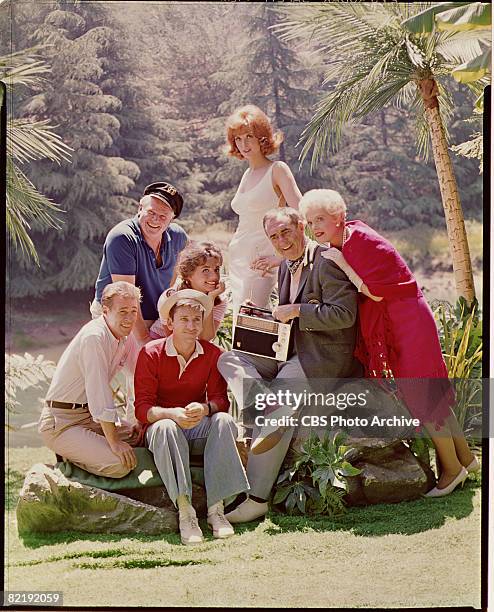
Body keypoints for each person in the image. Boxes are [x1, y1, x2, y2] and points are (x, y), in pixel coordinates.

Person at [299, 188, 479, 497]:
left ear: (339, 217)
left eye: (321, 219)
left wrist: (341, 264)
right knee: (429, 389)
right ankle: (466, 458)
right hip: (398, 321)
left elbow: (377, 292)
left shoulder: (359, 241)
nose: (316, 227)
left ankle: (450, 471)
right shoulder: (344, 241)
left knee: (422, 392)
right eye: (310, 221)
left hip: (406, 320)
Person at [217, 208, 361, 523]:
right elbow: (288, 319)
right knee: (228, 356)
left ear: (301, 226)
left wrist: (297, 309)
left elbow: (344, 314)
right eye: (274, 236)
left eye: (286, 232)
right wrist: (263, 317)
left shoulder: (327, 259)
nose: (282, 241)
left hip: (319, 359)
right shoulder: (285, 266)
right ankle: (257, 397)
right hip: (289, 352)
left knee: (278, 406)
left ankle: (256, 498)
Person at [134, 289, 249, 545]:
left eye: (196, 319)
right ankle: (186, 512)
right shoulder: (150, 353)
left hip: (197, 426)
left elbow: (221, 401)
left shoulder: (211, 354)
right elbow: (142, 409)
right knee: (165, 427)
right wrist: (171, 414)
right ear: (170, 323)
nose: (191, 325)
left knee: (224, 421)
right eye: (184, 319)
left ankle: (216, 511)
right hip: (162, 430)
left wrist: (205, 408)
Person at [38, 281, 143, 478]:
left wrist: (142, 418)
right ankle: (68, 461)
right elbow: (99, 392)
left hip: (88, 417)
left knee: (138, 437)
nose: (129, 319)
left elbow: (140, 375)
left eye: (133, 311)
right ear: (105, 310)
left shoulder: (124, 337)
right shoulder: (94, 337)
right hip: (62, 422)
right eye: (123, 312)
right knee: (120, 465)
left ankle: (86, 451)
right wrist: (113, 442)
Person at [225, 104, 302, 315]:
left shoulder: (277, 170)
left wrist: (283, 258)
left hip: (262, 260)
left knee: (251, 321)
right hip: (239, 258)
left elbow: (302, 215)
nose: (244, 144)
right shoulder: (247, 175)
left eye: (249, 136)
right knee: (241, 327)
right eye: (238, 139)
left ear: (262, 136)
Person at [92, 182, 188, 344]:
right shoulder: (122, 237)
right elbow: (126, 296)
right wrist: (144, 340)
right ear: (140, 208)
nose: (155, 220)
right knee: (129, 368)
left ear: (172, 218)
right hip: (118, 315)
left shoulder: (178, 236)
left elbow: (175, 276)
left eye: (163, 215)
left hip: (154, 315)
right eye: (151, 212)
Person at [149, 241, 227, 341]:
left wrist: (210, 300)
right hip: (161, 343)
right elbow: (174, 340)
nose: (214, 276)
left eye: (216, 269)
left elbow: (205, 339)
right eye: (206, 270)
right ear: (189, 274)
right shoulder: (171, 297)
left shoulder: (219, 300)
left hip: (193, 347)